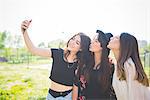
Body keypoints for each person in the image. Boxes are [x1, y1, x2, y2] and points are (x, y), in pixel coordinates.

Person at [21, 20, 91, 100]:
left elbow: (77, 85)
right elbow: (33, 49)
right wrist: (24, 32)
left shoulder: (80, 64)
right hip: (51, 96)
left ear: (81, 48)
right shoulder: (57, 53)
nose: (72, 42)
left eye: (77, 42)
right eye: (73, 39)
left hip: (67, 97)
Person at [72, 30, 116, 100]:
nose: (91, 42)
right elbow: (76, 84)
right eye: (92, 40)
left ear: (102, 47)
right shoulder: (85, 64)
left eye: (96, 41)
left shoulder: (111, 67)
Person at [107, 32, 150, 100]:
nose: (111, 38)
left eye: (116, 38)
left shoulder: (128, 65)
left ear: (124, 45)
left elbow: (134, 96)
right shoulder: (119, 65)